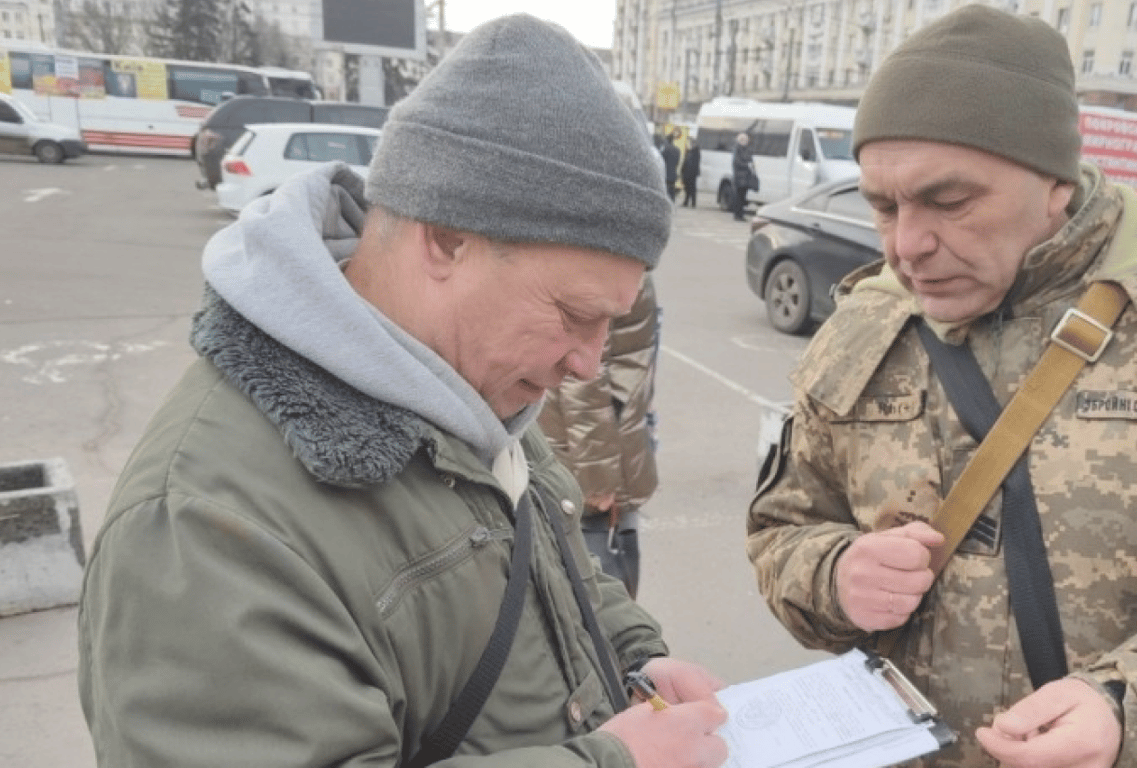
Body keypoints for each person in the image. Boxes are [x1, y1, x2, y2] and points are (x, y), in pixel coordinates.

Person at [78, 15, 729, 768]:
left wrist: (635, 667)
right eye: (574, 316)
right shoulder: (199, 526)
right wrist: (612, 764)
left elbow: (555, 575)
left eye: (609, 325)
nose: (587, 365)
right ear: (446, 236)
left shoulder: (473, 388)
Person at [746, 6, 1137, 768]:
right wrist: (833, 575)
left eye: (949, 201)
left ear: (1054, 183)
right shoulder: (868, 321)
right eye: (884, 206)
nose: (908, 245)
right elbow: (784, 526)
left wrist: (1130, 710)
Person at [540, 274, 661, 599]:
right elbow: (583, 376)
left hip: (600, 441)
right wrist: (598, 480)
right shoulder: (614, 263)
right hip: (592, 460)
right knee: (595, 586)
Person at [731, 132, 755, 221]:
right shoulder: (737, 149)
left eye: (746, 140)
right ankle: (737, 215)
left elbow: (750, 159)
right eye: (743, 140)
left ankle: (740, 214)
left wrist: (752, 165)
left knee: (743, 196)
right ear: (739, 140)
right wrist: (746, 165)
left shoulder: (747, 149)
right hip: (739, 177)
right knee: (739, 196)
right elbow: (736, 162)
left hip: (746, 177)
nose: (745, 141)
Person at [661, 129, 681, 203]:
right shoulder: (677, 150)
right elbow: (677, 163)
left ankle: (666, 204)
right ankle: (672, 203)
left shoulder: (665, 149)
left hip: (665, 173)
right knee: (672, 190)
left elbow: (661, 160)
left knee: (665, 190)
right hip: (673, 174)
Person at [680, 138, 701, 208]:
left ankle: (693, 203)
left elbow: (694, 164)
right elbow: (685, 162)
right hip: (687, 173)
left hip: (692, 173)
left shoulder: (696, 152)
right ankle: (686, 202)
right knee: (687, 188)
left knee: (692, 188)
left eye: (692, 144)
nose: (691, 145)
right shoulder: (689, 152)